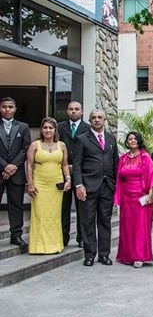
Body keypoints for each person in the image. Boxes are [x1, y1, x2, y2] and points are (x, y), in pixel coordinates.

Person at [73, 109, 118, 267]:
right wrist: (79, 185)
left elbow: (115, 164)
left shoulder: (111, 138)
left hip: (107, 187)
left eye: (100, 117)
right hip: (88, 187)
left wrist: (115, 186)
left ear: (105, 120)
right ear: (90, 120)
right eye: (94, 118)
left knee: (105, 222)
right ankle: (90, 255)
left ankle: (104, 255)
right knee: (88, 222)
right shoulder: (82, 139)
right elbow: (77, 165)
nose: (97, 120)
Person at [26, 118, 71, 254]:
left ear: (55, 130)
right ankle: (38, 247)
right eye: (45, 128)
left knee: (54, 216)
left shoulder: (62, 145)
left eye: (50, 128)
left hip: (56, 185)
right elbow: (28, 165)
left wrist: (68, 179)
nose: (47, 130)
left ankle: (54, 245)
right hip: (39, 184)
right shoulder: (35, 145)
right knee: (39, 215)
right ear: (41, 129)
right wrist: (30, 183)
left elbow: (64, 165)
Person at [114, 132, 153, 268]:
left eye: (134, 139)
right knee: (127, 227)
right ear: (127, 142)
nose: (132, 141)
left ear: (139, 141)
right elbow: (119, 180)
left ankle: (139, 256)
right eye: (130, 139)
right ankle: (126, 255)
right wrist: (118, 200)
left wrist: (150, 195)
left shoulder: (145, 157)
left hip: (141, 198)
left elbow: (152, 176)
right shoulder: (123, 159)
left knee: (140, 228)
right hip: (126, 198)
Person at [0, 97, 32, 249]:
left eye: (10, 107)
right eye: (4, 107)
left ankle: (16, 235)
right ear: (0, 108)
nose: (7, 109)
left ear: (15, 109)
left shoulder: (23, 127)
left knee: (16, 205)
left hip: (17, 173)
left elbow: (26, 148)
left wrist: (13, 166)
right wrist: (5, 166)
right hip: (1, 170)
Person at [58, 101, 90, 248]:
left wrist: (76, 166)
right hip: (61, 172)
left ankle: (81, 238)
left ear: (82, 112)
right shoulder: (59, 127)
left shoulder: (88, 129)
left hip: (81, 173)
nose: (73, 111)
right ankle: (63, 237)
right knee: (63, 208)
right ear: (67, 111)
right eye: (71, 109)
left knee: (81, 208)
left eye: (77, 109)